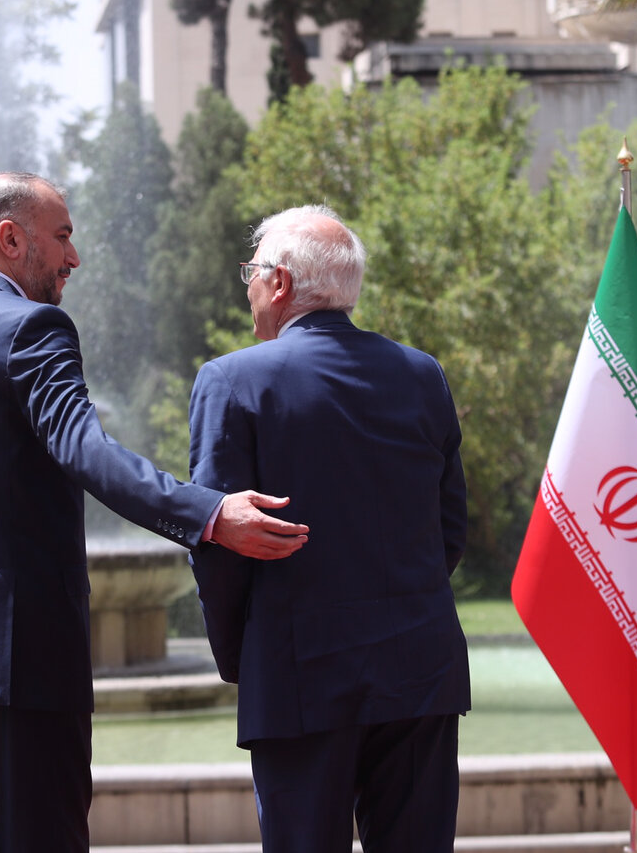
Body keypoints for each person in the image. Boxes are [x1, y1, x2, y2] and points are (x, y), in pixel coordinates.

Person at [0, 171, 309, 853]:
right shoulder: (31, 327)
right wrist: (211, 513)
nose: (74, 258)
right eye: (63, 237)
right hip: (18, 649)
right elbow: (88, 452)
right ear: (11, 238)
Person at [188, 205, 470, 853]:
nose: (249, 286)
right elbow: (449, 528)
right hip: (418, 672)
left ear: (279, 283)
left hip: (297, 674)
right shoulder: (421, 375)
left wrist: (242, 656)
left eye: (250, 273)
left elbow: (218, 550)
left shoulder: (232, 382)